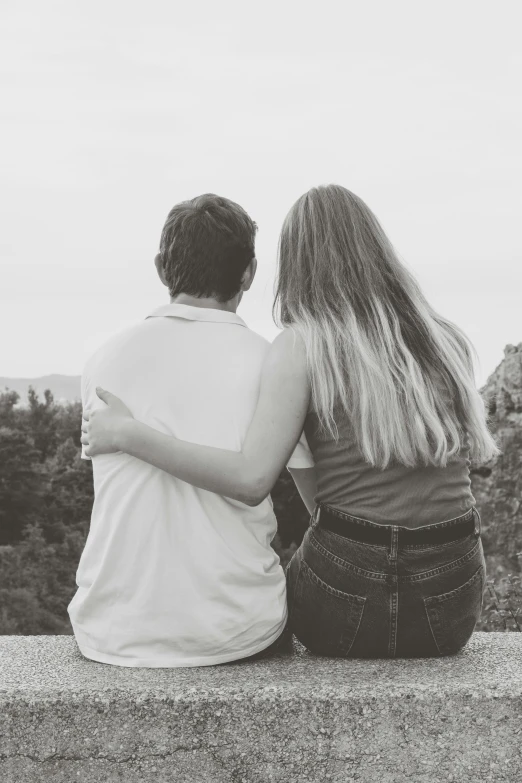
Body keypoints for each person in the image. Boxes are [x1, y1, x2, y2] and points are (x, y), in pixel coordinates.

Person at [82, 184, 499, 658]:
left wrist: (129, 433)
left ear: (295, 265)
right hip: (453, 595)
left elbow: (253, 478)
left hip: (348, 594)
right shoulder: (445, 340)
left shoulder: (301, 347)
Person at [69, 193, 312, 668]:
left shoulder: (103, 360)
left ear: (162, 268)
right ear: (250, 272)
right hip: (237, 629)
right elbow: (319, 506)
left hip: (110, 629)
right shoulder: (271, 363)